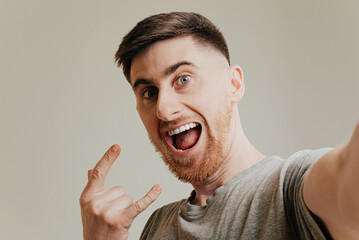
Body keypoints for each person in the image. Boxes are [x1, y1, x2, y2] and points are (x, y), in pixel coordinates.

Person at [79, 12, 359, 239]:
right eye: (149, 93)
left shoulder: (292, 187)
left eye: (183, 79)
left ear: (233, 84)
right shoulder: (157, 227)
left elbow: (347, 176)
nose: (164, 109)